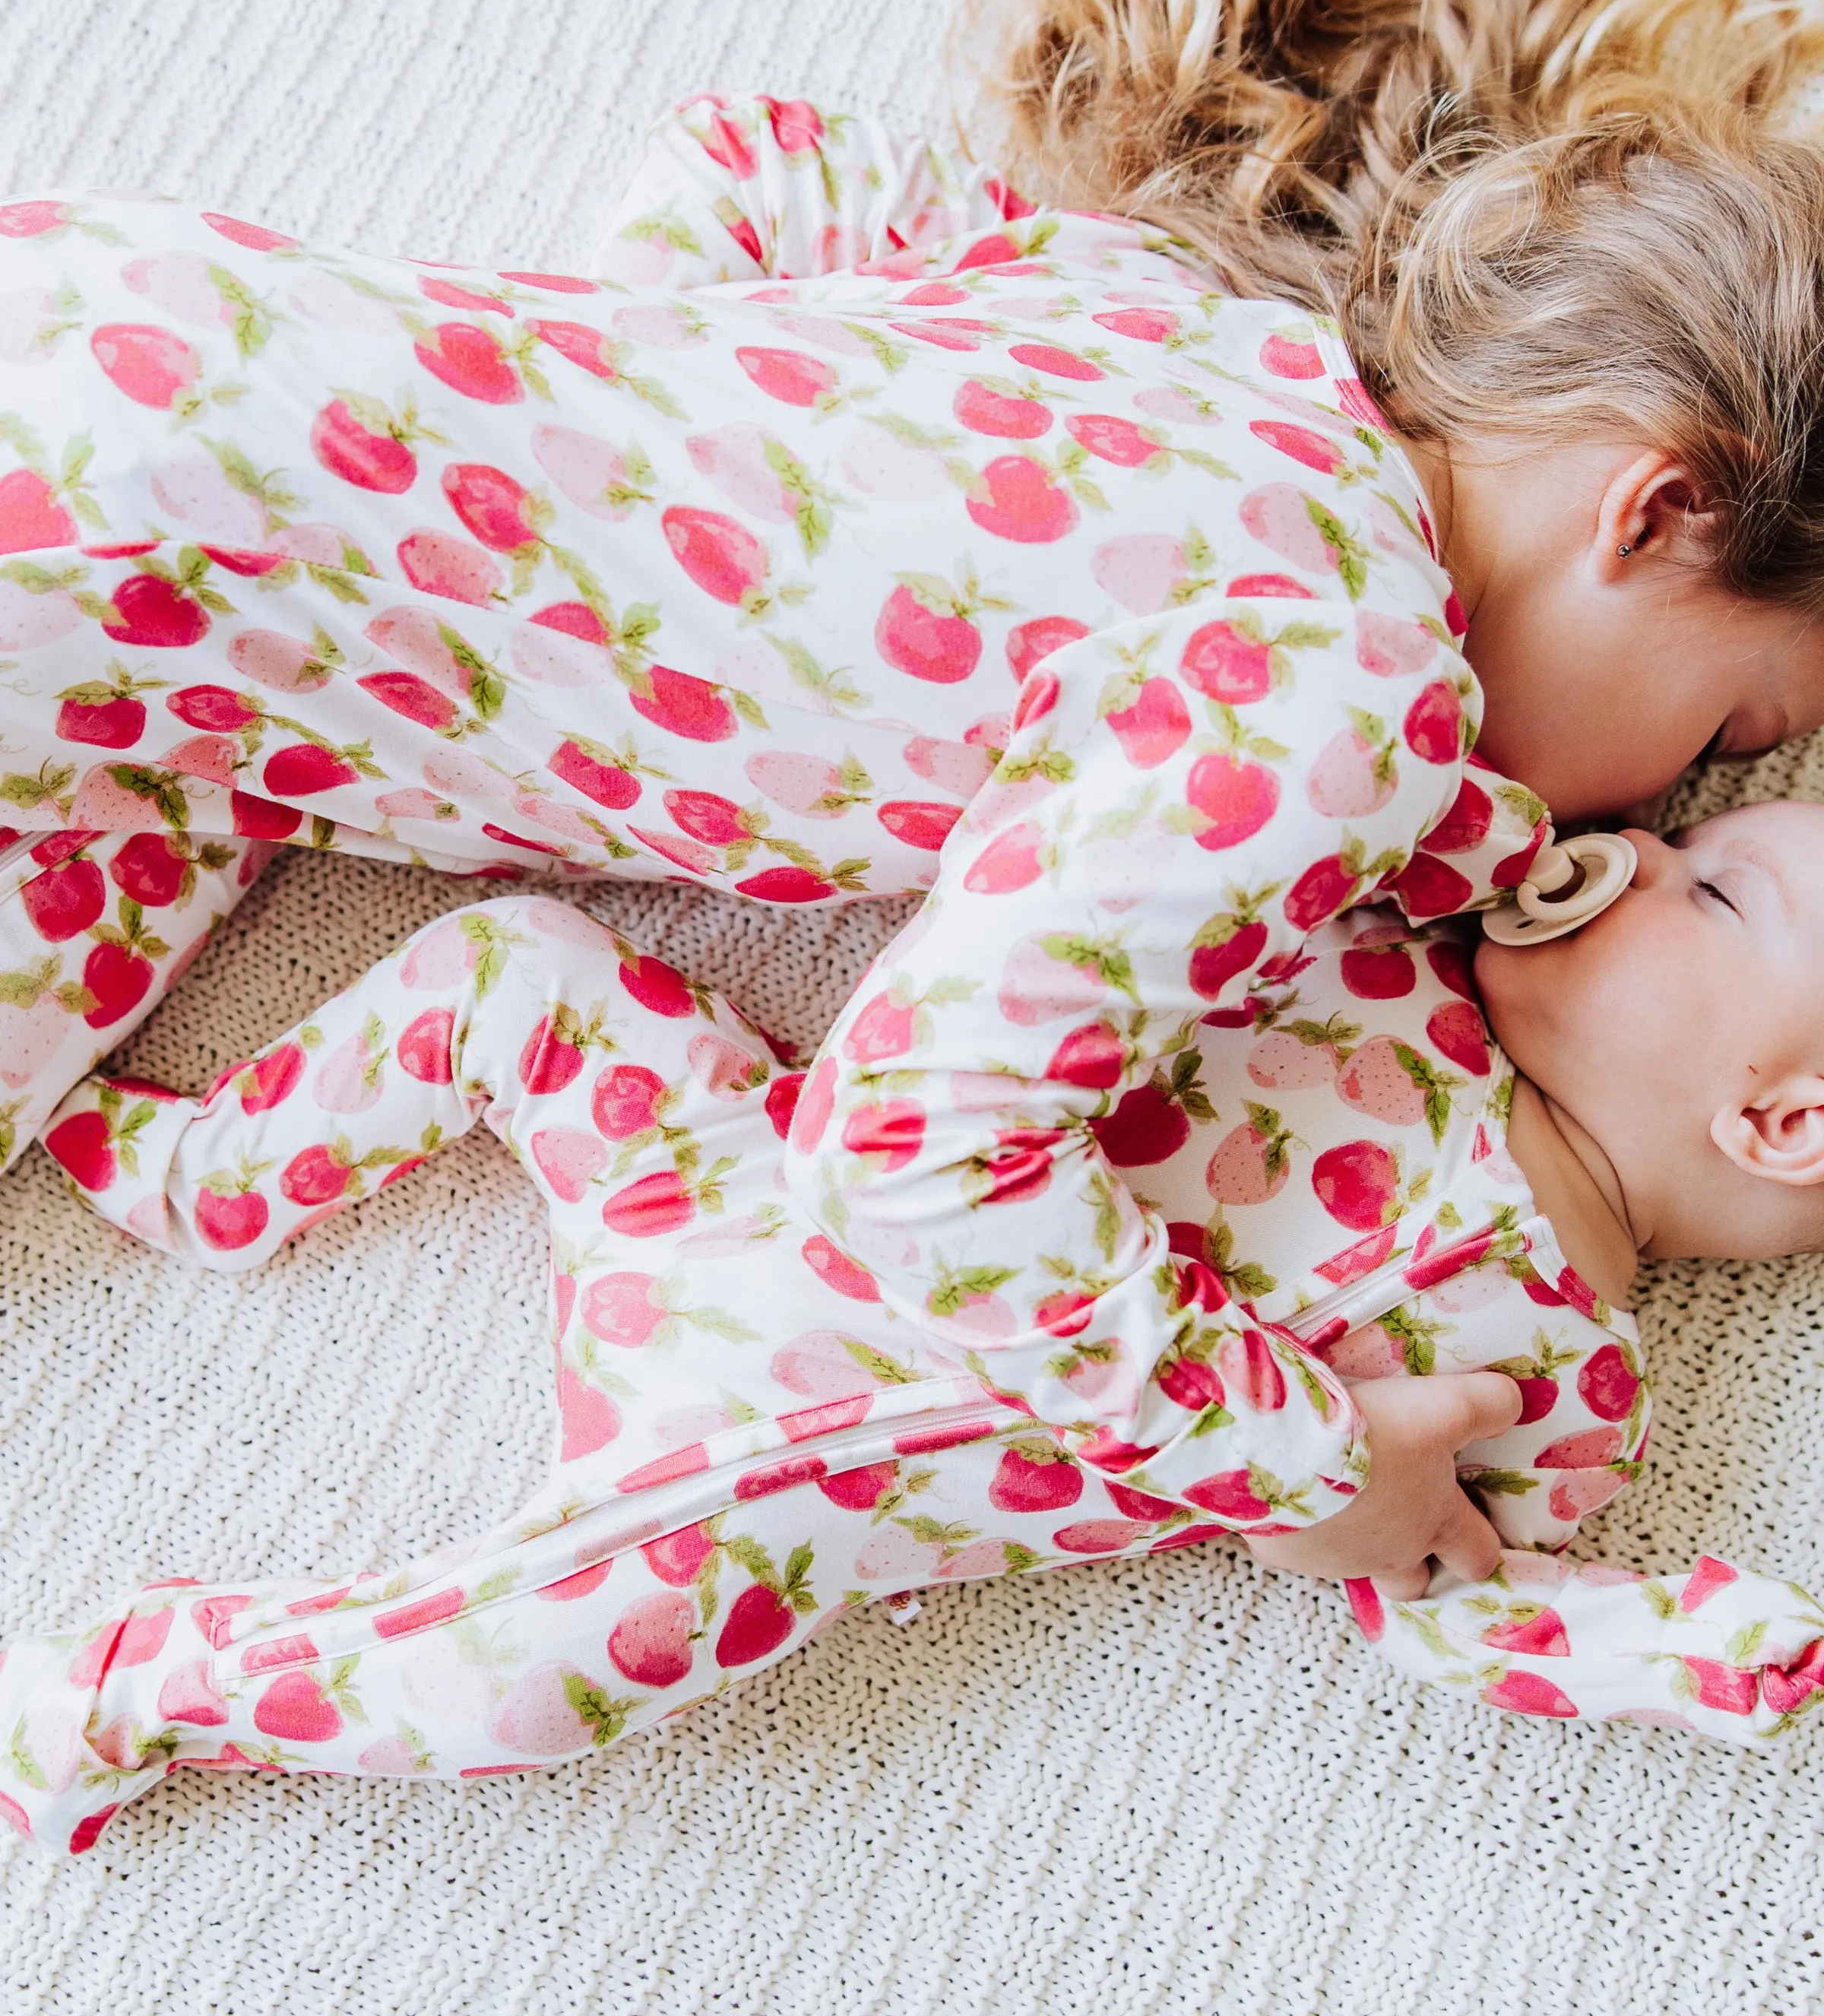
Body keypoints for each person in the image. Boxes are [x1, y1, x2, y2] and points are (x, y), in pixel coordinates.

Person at [5, 0, 1824, 1639]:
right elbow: (913, 1149)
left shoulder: (1202, 327)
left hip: (154, 349)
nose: (1652, 821)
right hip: (104, 566)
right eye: (1724, 744)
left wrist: (546, 469)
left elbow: (761, 153)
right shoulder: (1344, 707)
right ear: (1660, 508)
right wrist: (1293, 1455)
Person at [5, 794, 1823, 1855]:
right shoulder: (1372, 936)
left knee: (540, 1669)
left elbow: (1443, 1596)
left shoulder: (1573, 1385)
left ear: (1784, 1119)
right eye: (1686, 830)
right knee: (525, 963)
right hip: (750, 1165)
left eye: (1715, 886)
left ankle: (155, 1683)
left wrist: (1664, 1640)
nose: (1635, 850)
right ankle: (210, 1168)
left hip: (790, 1474)